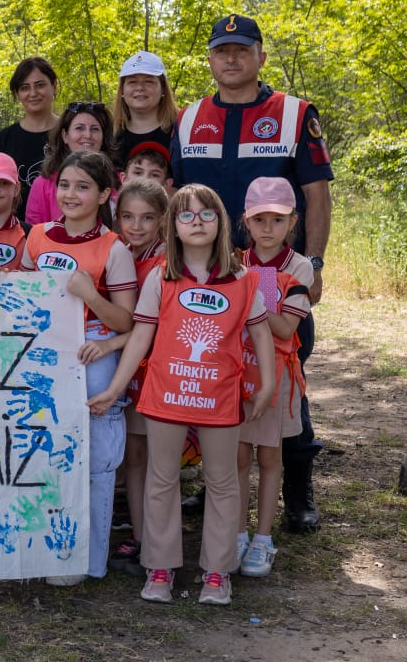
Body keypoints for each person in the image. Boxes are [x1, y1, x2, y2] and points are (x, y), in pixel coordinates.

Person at [171, 14, 333, 533]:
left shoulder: (294, 113)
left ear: (261, 56)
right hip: (211, 279)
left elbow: (316, 193)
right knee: (213, 376)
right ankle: (219, 483)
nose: (233, 58)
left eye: (243, 49)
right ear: (210, 60)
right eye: (223, 51)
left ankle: (298, 489)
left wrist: (315, 264)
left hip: (277, 274)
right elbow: (180, 200)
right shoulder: (189, 117)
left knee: (284, 377)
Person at [90, 184, 275, 607]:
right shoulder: (161, 276)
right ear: (173, 224)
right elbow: (140, 337)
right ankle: (159, 567)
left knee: (224, 483)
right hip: (166, 395)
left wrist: (267, 384)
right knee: (161, 479)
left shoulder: (243, 278)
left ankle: (216, 572)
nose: (196, 222)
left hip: (219, 398)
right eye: (186, 215)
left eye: (206, 214)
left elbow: (261, 331)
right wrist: (115, 388)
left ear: (221, 222)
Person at [20, 151, 136, 585]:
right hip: (44, 361)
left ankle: (88, 561)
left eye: (83, 187)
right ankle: (46, 551)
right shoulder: (37, 236)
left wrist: (91, 298)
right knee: (44, 453)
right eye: (65, 185)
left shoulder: (114, 248)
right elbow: (23, 298)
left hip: (93, 361)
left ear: (105, 194)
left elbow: (126, 321)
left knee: (96, 461)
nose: (71, 194)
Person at [235, 177, 313, 578]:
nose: (267, 228)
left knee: (269, 457)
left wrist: (250, 301)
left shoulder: (299, 267)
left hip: (275, 377)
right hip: (234, 374)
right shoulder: (234, 261)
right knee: (236, 458)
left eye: (277, 220)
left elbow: (285, 329)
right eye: (259, 219)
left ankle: (263, 538)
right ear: (246, 222)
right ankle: (235, 533)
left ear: (292, 222)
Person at [94, 176, 168, 574]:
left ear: (163, 220)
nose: (136, 226)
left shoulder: (165, 262)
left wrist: (109, 344)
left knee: (161, 460)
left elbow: (148, 327)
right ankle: (140, 539)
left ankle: (160, 544)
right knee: (134, 457)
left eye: (147, 218)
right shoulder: (116, 251)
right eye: (127, 216)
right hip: (129, 368)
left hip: (157, 369)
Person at [0, 56, 59, 220]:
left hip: (65, 231)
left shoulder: (70, 132)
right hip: (17, 231)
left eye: (40, 85)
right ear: (17, 93)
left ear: (54, 86)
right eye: (24, 88)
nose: (33, 93)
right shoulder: (6, 138)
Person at [24, 102, 114, 225]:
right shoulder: (43, 184)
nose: (88, 135)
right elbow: (34, 233)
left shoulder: (117, 181)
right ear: (65, 136)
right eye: (79, 128)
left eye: (95, 129)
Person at [112, 51, 179, 169]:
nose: (140, 88)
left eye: (148, 81)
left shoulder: (180, 132)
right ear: (122, 90)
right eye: (132, 82)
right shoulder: (111, 136)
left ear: (163, 89)